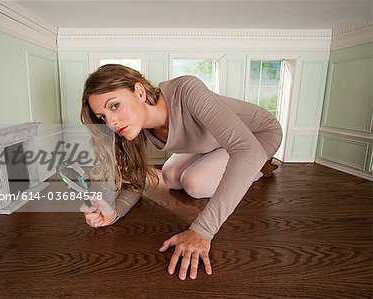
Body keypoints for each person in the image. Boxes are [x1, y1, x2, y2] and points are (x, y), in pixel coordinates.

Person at [79, 64, 282, 280]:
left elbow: (245, 149)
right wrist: (113, 212)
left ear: (139, 92)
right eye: (102, 117)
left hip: (257, 135)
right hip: (214, 143)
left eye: (115, 106)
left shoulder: (186, 89)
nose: (110, 122)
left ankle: (259, 167)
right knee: (171, 176)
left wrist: (202, 231)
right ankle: (228, 160)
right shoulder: (135, 127)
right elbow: (136, 182)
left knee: (194, 183)